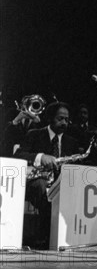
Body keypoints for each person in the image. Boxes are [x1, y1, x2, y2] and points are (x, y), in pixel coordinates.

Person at [14, 101, 79, 249]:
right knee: (41, 186)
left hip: (61, 184)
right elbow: (18, 155)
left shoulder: (72, 142)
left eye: (67, 120)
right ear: (50, 118)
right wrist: (40, 156)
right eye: (60, 118)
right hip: (36, 181)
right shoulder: (34, 134)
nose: (64, 123)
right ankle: (47, 236)